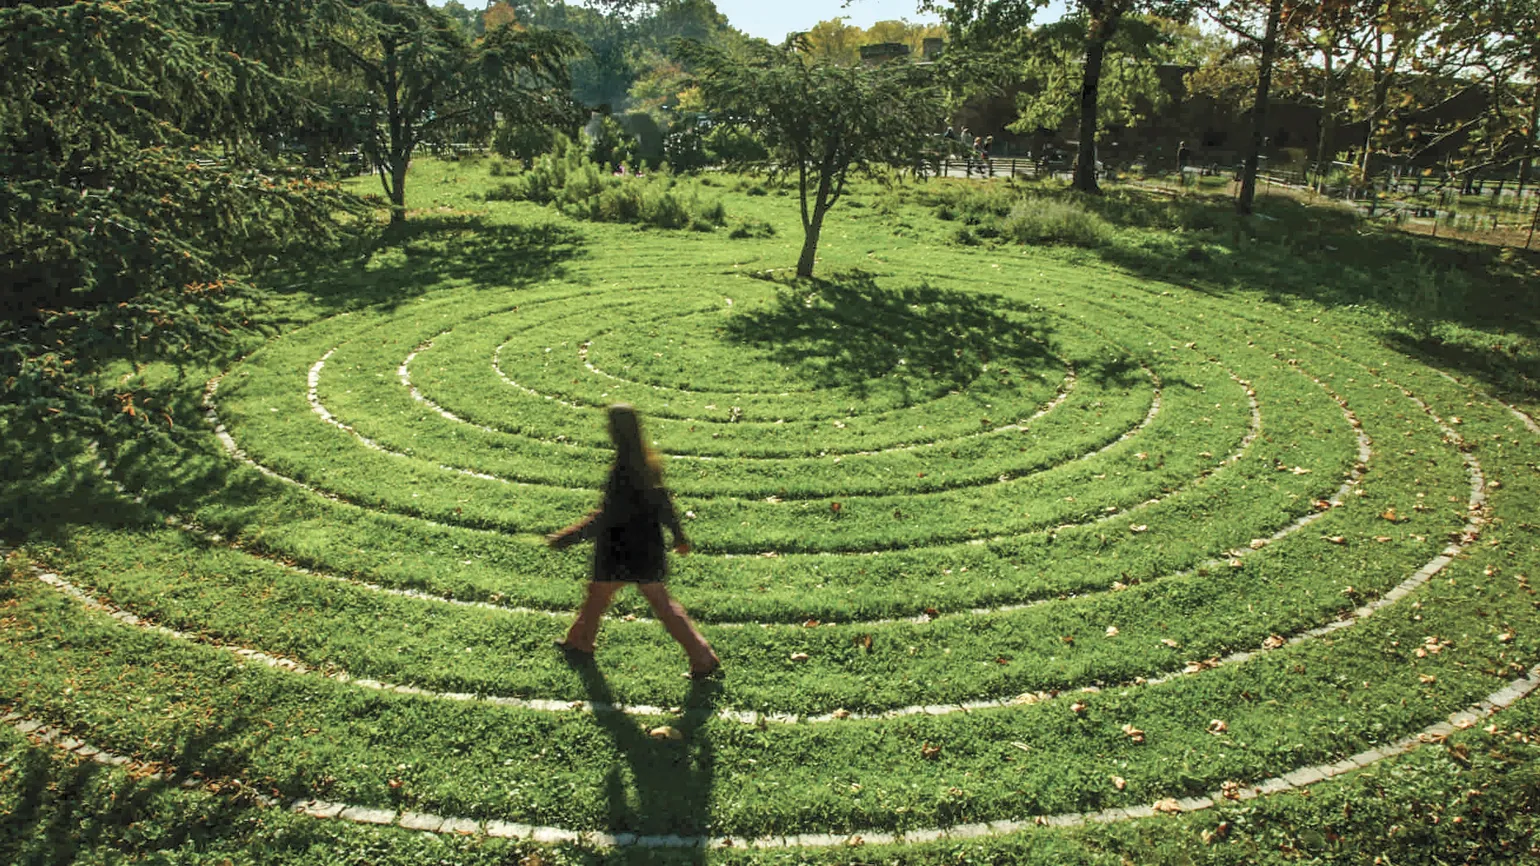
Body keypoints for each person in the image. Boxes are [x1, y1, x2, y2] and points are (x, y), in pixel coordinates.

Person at [548, 404, 721, 679]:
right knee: (600, 595)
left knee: (643, 602)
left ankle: (703, 657)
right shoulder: (646, 461)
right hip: (646, 547)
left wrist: (570, 536)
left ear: (616, 431)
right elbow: (663, 502)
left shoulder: (623, 469)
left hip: (620, 548)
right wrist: (678, 535)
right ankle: (579, 641)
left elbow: (608, 515)